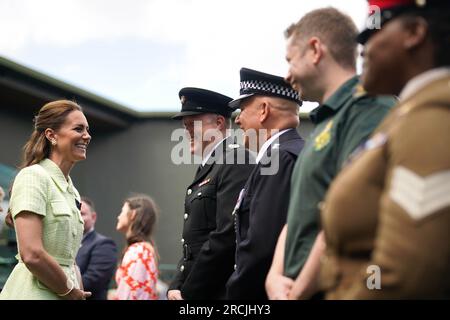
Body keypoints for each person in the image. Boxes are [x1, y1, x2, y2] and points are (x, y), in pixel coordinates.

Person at [320, 0, 450, 299]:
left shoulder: (434, 116)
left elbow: (405, 279)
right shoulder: (406, 116)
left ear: (415, 32)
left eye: (372, 32)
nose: (361, 46)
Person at [265, 7, 396, 300]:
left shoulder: (368, 108)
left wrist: (299, 290)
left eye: (290, 60)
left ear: (314, 50)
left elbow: (351, 214)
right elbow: (298, 214)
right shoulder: (325, 122)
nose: (286, 75)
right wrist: (275, 276)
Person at [167, 88, 255, 300]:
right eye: (185, 125)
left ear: (219, 123)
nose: (187, 130)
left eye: (193, 124)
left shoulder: (236, 160)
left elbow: (225, 237)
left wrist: (188, 292)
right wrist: (175, 284)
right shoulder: (211, 165)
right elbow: (193, 244)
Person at [0, 100, 92, 300]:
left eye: (87, 129)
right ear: (51, 135)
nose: (87, 136)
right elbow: (31, 253)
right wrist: (69, 291)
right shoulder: (33, 176)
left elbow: (70, 261)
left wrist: (77, 294)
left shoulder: (72, 191)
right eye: (78, 129)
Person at [225, 68, 304, 300]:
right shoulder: (290, 154)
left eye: (242, 109)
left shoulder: (278, 159)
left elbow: (261, 249)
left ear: (263, 111)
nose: (238, 119)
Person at [110, 195, 159, 300]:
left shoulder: (139, 251)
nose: (118, 217)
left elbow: (131, 294)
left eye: (122, 211)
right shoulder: (141, 249)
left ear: (133, 214)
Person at [76, 196, 117, 300]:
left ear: (93, 217)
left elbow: (91, 281)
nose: (77, 218)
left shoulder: (104, 244)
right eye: (74, 213)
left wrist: (58, 284)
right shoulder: (68, 243)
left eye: (82, 214)